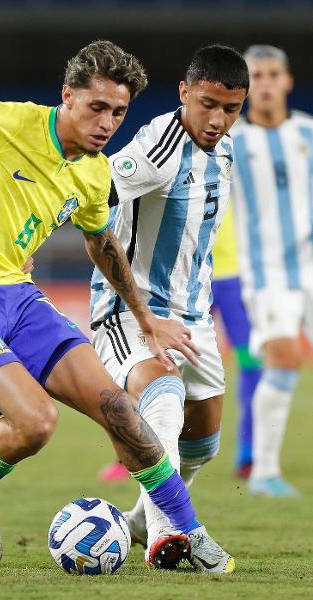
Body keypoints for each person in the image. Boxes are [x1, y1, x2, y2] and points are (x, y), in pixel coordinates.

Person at [0, 40, 234, 573]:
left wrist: (146, 317)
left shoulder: (93, 172)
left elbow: (101, 243)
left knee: (120, 411)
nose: (107, 122)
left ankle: (185, 529)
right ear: (67, 96)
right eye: (97, 107)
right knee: (37, 423)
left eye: (119, 112)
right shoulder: (9, 123)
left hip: (19, 298)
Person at [90, 44, 248, 559]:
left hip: (191, 316)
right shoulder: (157, 148)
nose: (218, 119)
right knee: (162, 394)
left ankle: (138, 521)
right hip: (130, 308)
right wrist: (23, 247)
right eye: (207, 104)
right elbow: (89, 194)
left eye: (231, 109)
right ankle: (167, 531)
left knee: (203, 440)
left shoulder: (223, 149)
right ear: (184, 92)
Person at [231, 45, 313, 497]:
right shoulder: (231, 144)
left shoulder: (308, 133)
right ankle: (264, 471)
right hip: (267, 276)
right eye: (255, 75)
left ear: (287, 81)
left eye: (271, 74)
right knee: (284, 356)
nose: (264, 83)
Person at [211, 202, 261, 478]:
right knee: (164, 365)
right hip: (193, 280)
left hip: (236, 283)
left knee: (251, 365)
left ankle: (249, 453)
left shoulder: (242, 164)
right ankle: (136, 455)